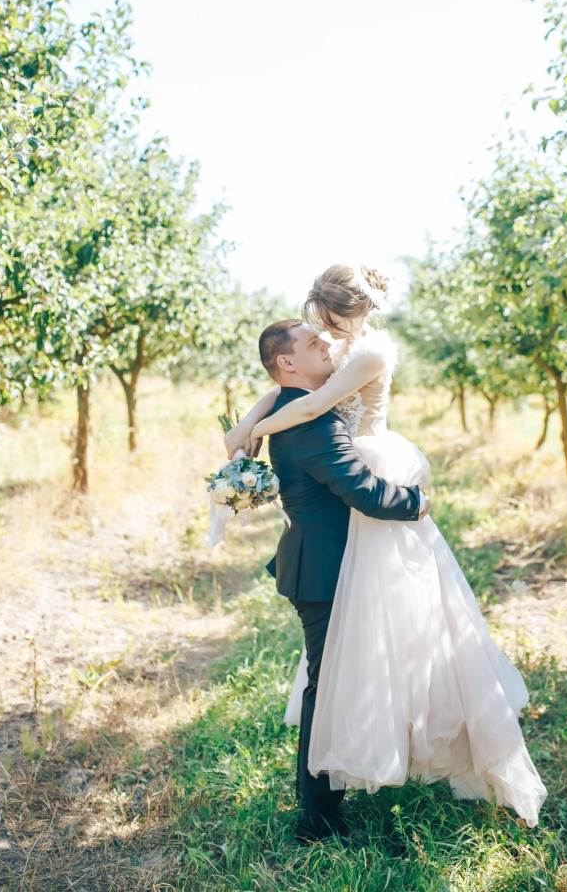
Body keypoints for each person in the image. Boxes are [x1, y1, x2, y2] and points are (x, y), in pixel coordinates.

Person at [226, 264, 547, 829]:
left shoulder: (368, 355)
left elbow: (302, 405)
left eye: (326, 322)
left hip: (367, 458)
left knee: (407, 627)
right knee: (358, 648)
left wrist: (257, 431)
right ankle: (339, 786)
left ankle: (388, 755)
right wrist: (248, 423)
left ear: (349, 312)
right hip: (348, 481)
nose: (323, 335)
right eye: (316, 328)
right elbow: (284, 390)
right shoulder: (333, 357)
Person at [244, 317, 430, 844]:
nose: (326, 345)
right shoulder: (311, 422)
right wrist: (416, 504)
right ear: (287, 363)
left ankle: (331, 798)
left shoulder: (297, 408)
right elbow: (363, 490)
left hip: (322, 564)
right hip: (322, 573)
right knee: (325, 693)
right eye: (311, 343)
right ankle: (316, 823)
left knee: (333, 686)